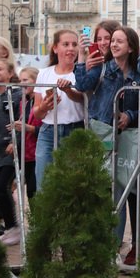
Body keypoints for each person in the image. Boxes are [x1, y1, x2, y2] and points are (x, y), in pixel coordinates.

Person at [76, 25, 140, 271]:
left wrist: (130, 115)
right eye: (112, 41)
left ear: (130, 47)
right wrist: (82, 57)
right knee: (107, 190)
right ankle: (110, 247)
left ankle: (135, 245)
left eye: (119, 41)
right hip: (102, 131)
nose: (113, 44)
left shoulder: (138, 73)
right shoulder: (102, 66)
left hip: (128, 135)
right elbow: (82, 83)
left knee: (128, 188)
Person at [32, 30, 85, 189]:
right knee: (43, 182)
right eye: (66, 44)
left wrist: (69, 91)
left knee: (72, 184)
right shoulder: (43, 73)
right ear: (55, 48)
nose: (71, 49)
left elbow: (84, 99)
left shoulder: (81, 72)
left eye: (74, 45)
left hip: (75, 129)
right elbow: (36, 113)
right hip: (48, 131)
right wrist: (44, 106)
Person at [0, 59, 22, 246]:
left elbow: (21, 118)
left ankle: (14, 227)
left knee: (3, 186)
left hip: (10, 149)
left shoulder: (17, 94)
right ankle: (7, 227)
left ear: (10, 73)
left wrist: (14, 140)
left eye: (0, 69)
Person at [9, 66, 40, 204]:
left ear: (36, 80)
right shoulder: (24, 102)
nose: (22, 83)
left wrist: (29, 128)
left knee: (35, 189)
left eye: (25, 80)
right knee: (30, 192)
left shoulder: (43, 100)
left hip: (37, 153)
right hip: (26, 154)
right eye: (20, 80)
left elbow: (46, 129)